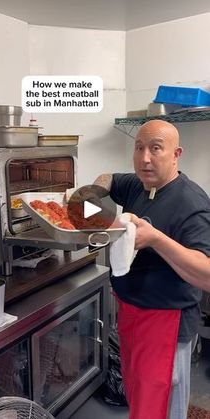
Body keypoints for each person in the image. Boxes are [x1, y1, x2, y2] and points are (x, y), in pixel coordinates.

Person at [93, 119, 210, 419]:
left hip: (165, 323)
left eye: (156, 148)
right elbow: (110, 178)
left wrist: (156, 239)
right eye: (139, 147)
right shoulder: (140, 184)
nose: (145, 158)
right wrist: (92, 191)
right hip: (132, 316)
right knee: (140, 398)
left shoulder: (191, 201)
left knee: (163, 406)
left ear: (176, 154)